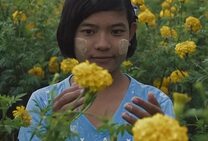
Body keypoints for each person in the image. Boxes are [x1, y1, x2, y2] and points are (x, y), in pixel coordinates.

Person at [18, 0, 174, 140]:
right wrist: (54, 133)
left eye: (116, 32)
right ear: (71, 33)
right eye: (89, 32)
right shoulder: (42, 103)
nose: (103, 44)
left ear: (131, 32)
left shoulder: (156, 103)